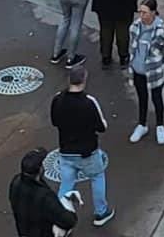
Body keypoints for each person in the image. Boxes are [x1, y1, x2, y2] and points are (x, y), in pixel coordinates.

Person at [51, 65, 114, 225]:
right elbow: (102, 127)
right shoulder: (89, 102)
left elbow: (54, 122)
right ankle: (101, 212)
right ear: (84, 80)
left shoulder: (57, 99)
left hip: (66, 151)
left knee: (66, 184)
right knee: (97, 177)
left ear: (69, 80)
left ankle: (59, 215)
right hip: (88, 152)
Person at [126, 0, 164, 145]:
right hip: (138, 71)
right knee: (142, 98)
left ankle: (160, 126)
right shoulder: (135, 27)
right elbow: (132, 47)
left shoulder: (161, 31)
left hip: (153, 73)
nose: (142, 15)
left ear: (153, 12)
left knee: (157, 99)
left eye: (145, 12)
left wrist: (157, 63)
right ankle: (142, 125)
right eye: (140, 12)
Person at [9, 146, 79, 237]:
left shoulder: (15, 182)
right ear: (40, 169)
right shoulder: (44, 196)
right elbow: (68, 221)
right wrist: (72, 214)